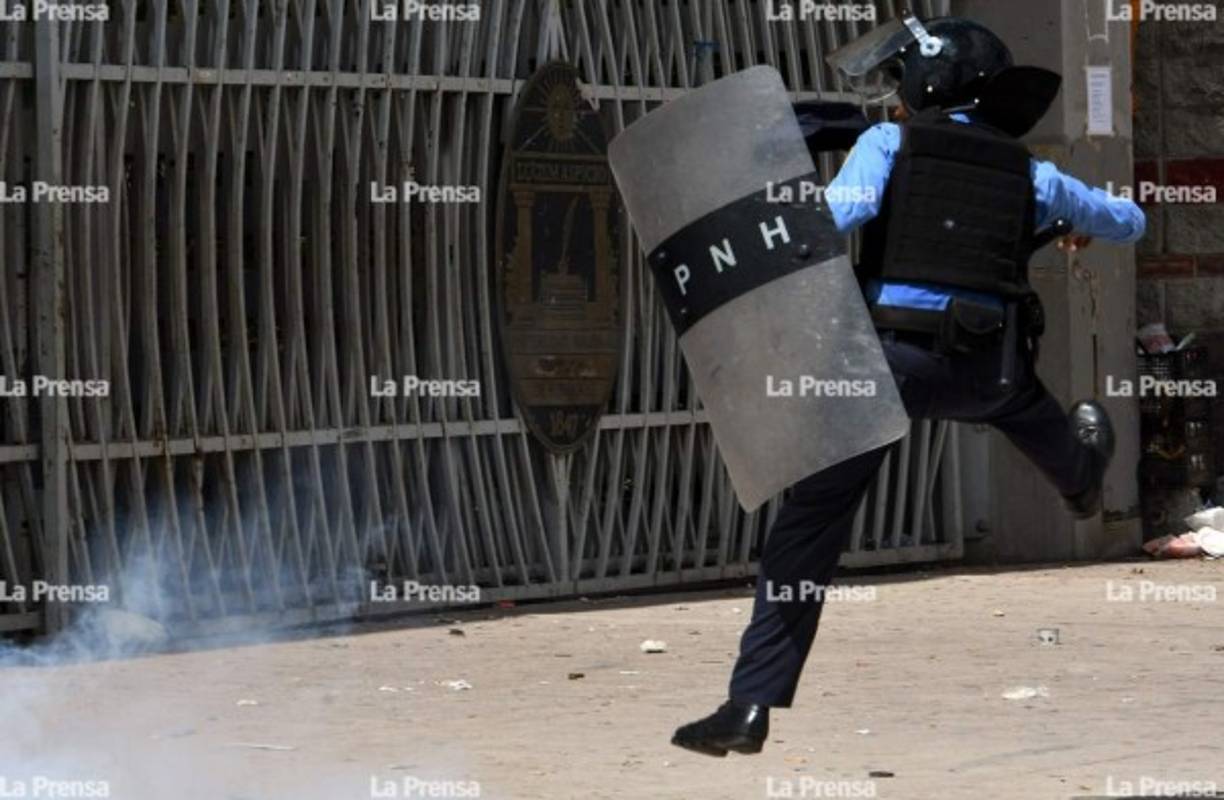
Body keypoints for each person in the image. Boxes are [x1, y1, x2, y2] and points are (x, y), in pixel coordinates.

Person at [671, 14, 1145, 758]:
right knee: (1036, 413)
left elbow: (842, 213)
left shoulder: (889, 144)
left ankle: (749, 706)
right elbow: (1129, 220)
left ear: (930, 81)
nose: (894, 96)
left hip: (885, 370)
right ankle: (1080, 479)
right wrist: (1070, 223)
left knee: (808, 532)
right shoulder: (1034, 174)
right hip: (987, 375)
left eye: (899, 80)